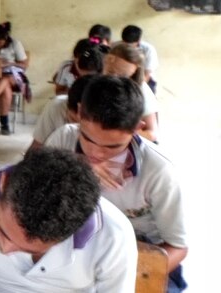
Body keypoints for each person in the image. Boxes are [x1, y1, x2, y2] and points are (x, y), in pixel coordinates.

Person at [45, 76, 188, 292]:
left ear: (137, 128)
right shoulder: (62, 140)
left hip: (142, 252)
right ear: (79, 112)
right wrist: (76, 167)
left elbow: (177, 246)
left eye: (113, 146)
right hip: (75, 243)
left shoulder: (159, 171)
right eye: (88, 138)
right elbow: (32, 195)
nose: (96, 153)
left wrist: (122, 276)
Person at [0, 148, 138, 292]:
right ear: (4, 183)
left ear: (66, 236)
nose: (5, 249)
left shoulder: (113, 236)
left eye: (30, 250)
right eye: (2, 229)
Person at [103, 43, 159, 142]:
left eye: (123, 75)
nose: (114, 78)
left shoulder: (141, 91)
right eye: (111, 72)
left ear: (133, 73)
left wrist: (122, 132)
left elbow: (152, 134)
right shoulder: (97, 82)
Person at [28, 74, 100, 151]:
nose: (76, 128)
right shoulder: (56, 107)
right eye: (73, 120)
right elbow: (37, 145)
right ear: (67, 105)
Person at [0, 22, 29, 135]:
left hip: (15, 77)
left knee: (5, 80)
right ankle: (4, 125)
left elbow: (24, 65)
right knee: (5, 89)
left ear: (6, 38)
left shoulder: (15, 44)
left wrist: (9, 63)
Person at [121, 25, 159, 93]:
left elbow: (146, 75)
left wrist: (136, 90)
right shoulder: (117, 46)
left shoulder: (149, 50)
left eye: (130, 45)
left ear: (138, 41)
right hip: (124, 77)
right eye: (125, 44)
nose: (127, 48)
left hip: (145, 80)